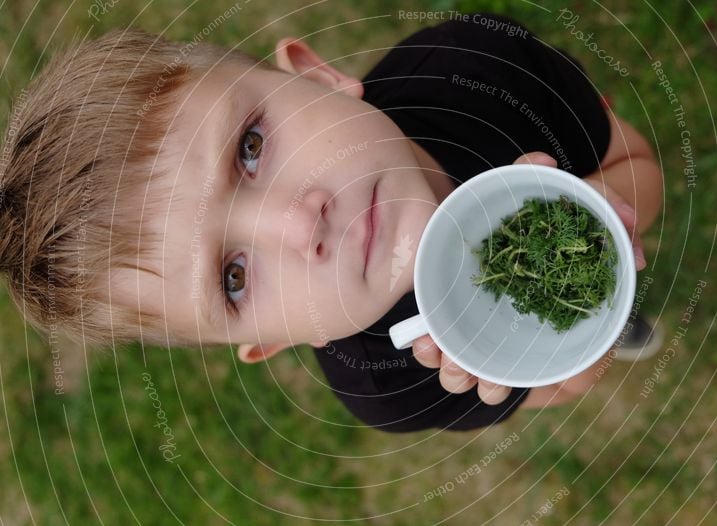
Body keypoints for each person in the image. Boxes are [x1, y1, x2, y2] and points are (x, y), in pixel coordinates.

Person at [0, 13, 662, 433]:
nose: (298, 225)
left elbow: (639, 165)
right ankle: (617, 319)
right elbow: (563, 390)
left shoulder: (474, 70)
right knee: (601, 319)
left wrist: (593, 214)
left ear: (320, 77)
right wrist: (548, 352)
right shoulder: (395, 384)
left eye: (250, 149)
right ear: (278, 338)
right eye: (233, 278)